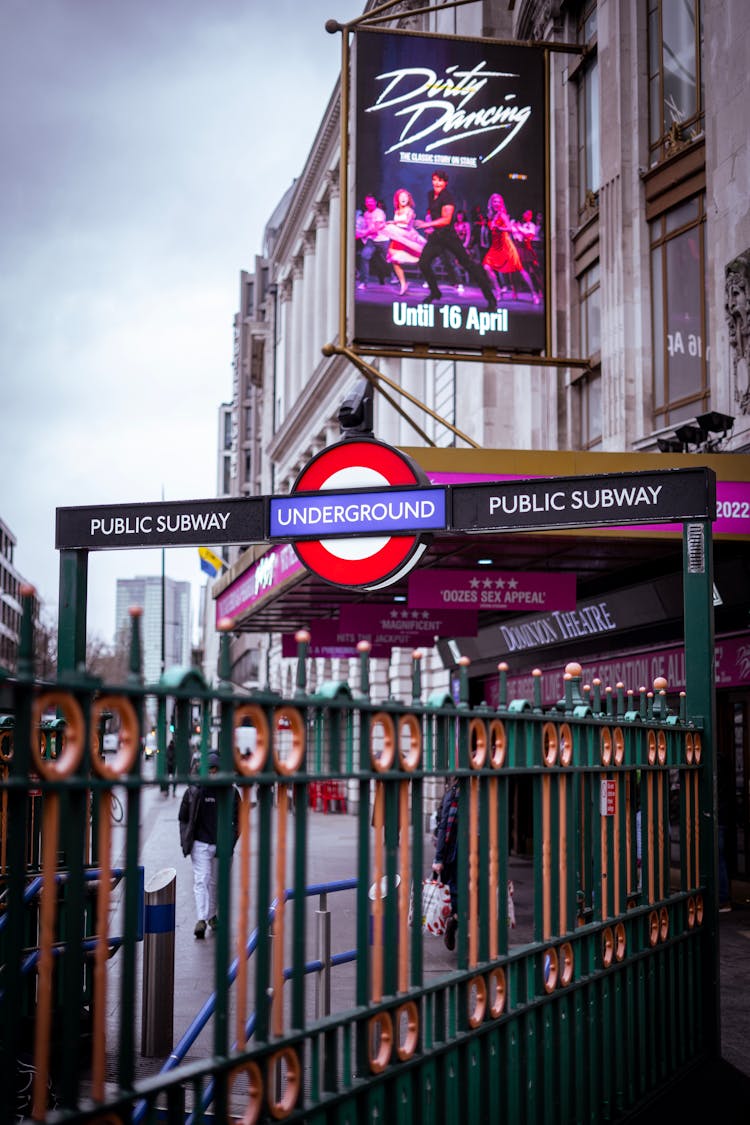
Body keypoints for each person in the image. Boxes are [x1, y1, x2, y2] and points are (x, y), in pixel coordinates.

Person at [178, 751, 240, 938]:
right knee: (202, 879)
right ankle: (201, 919)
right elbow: (183, 817)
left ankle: (212, 915)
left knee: (216, 883)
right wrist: (186, 839)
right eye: (210, 770)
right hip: (200, 844)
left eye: (216, 770)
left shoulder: (230, 792)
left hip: (222, 845)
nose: (212, 774)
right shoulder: (195, 791)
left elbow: (239, 820)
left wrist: (230, 840)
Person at [415, 170, 496, 309]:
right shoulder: (430, 195)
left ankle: (491, 298)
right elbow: (435, 216)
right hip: (437, 237)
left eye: (440, 180)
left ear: (445, 183)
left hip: (448, 236)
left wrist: (426, 224)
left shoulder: (447, 197)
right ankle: (435, 292)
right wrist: (431, 228)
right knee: (423, 263)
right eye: (434, 179)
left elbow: (446, 220)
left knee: (469, 265)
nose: (437, 183)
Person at [483, 193, 540, 304]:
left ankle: (534, 293)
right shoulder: (491, 216)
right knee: (486, 267)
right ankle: (498, 291)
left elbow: (511, 229)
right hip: (495, 246)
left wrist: (499, 227)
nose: (497, 204)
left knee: (520, 270)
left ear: (501, 203)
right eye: (495, 201)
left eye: (499, 202)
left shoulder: (502, 215)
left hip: (506, 246)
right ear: (491, 203)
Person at [432, 775, 460, 951]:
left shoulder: (453, 792)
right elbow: (443, 825)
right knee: (461, 893)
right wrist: (439, 857)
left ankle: (456, 920)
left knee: (461, 892)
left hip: (459, 851)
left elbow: (442, 825)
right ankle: (456, 920)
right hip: (458, 852)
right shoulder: (454, 792)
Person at [384, 188, 426, 294]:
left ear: (408, 199)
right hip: (398, 239)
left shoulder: (409, 210)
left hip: (408, 238)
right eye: (401, 197)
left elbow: (406, 222)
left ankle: (429, 280)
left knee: (419, 260)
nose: (403, 198)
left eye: (405, 197)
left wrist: (393, 222)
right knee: (394, 261)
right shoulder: (397, 210)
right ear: (397, 199)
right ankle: (403, 284)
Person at [356, 194, 391, 288]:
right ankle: (364, 282)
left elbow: (376, 229)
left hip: (383, 239)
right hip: (371, 240)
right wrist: (359, 233)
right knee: (364, 256)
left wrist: (363, 234)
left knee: (389, 259)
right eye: (367, 202)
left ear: (375, 202)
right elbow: (366, 227)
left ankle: (396, 277)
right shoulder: (366, 214)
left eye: (371, 202)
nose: (369, 204)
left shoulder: (379, 213)